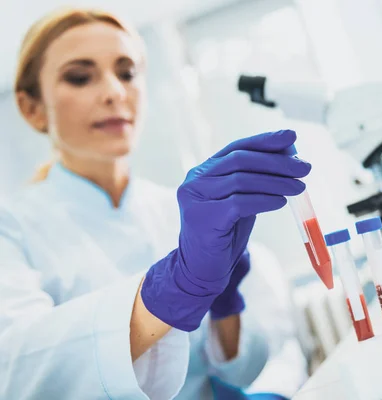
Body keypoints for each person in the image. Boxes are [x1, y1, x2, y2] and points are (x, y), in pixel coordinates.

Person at [0, 7, 310, 399]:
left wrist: (226, 301)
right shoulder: (11, 227)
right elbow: (18, 370)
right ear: (32, 108)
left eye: (127, 72)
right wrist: (173, 291)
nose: (114, 91)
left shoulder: (183, 211)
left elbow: (244, 370)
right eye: (80, 77)